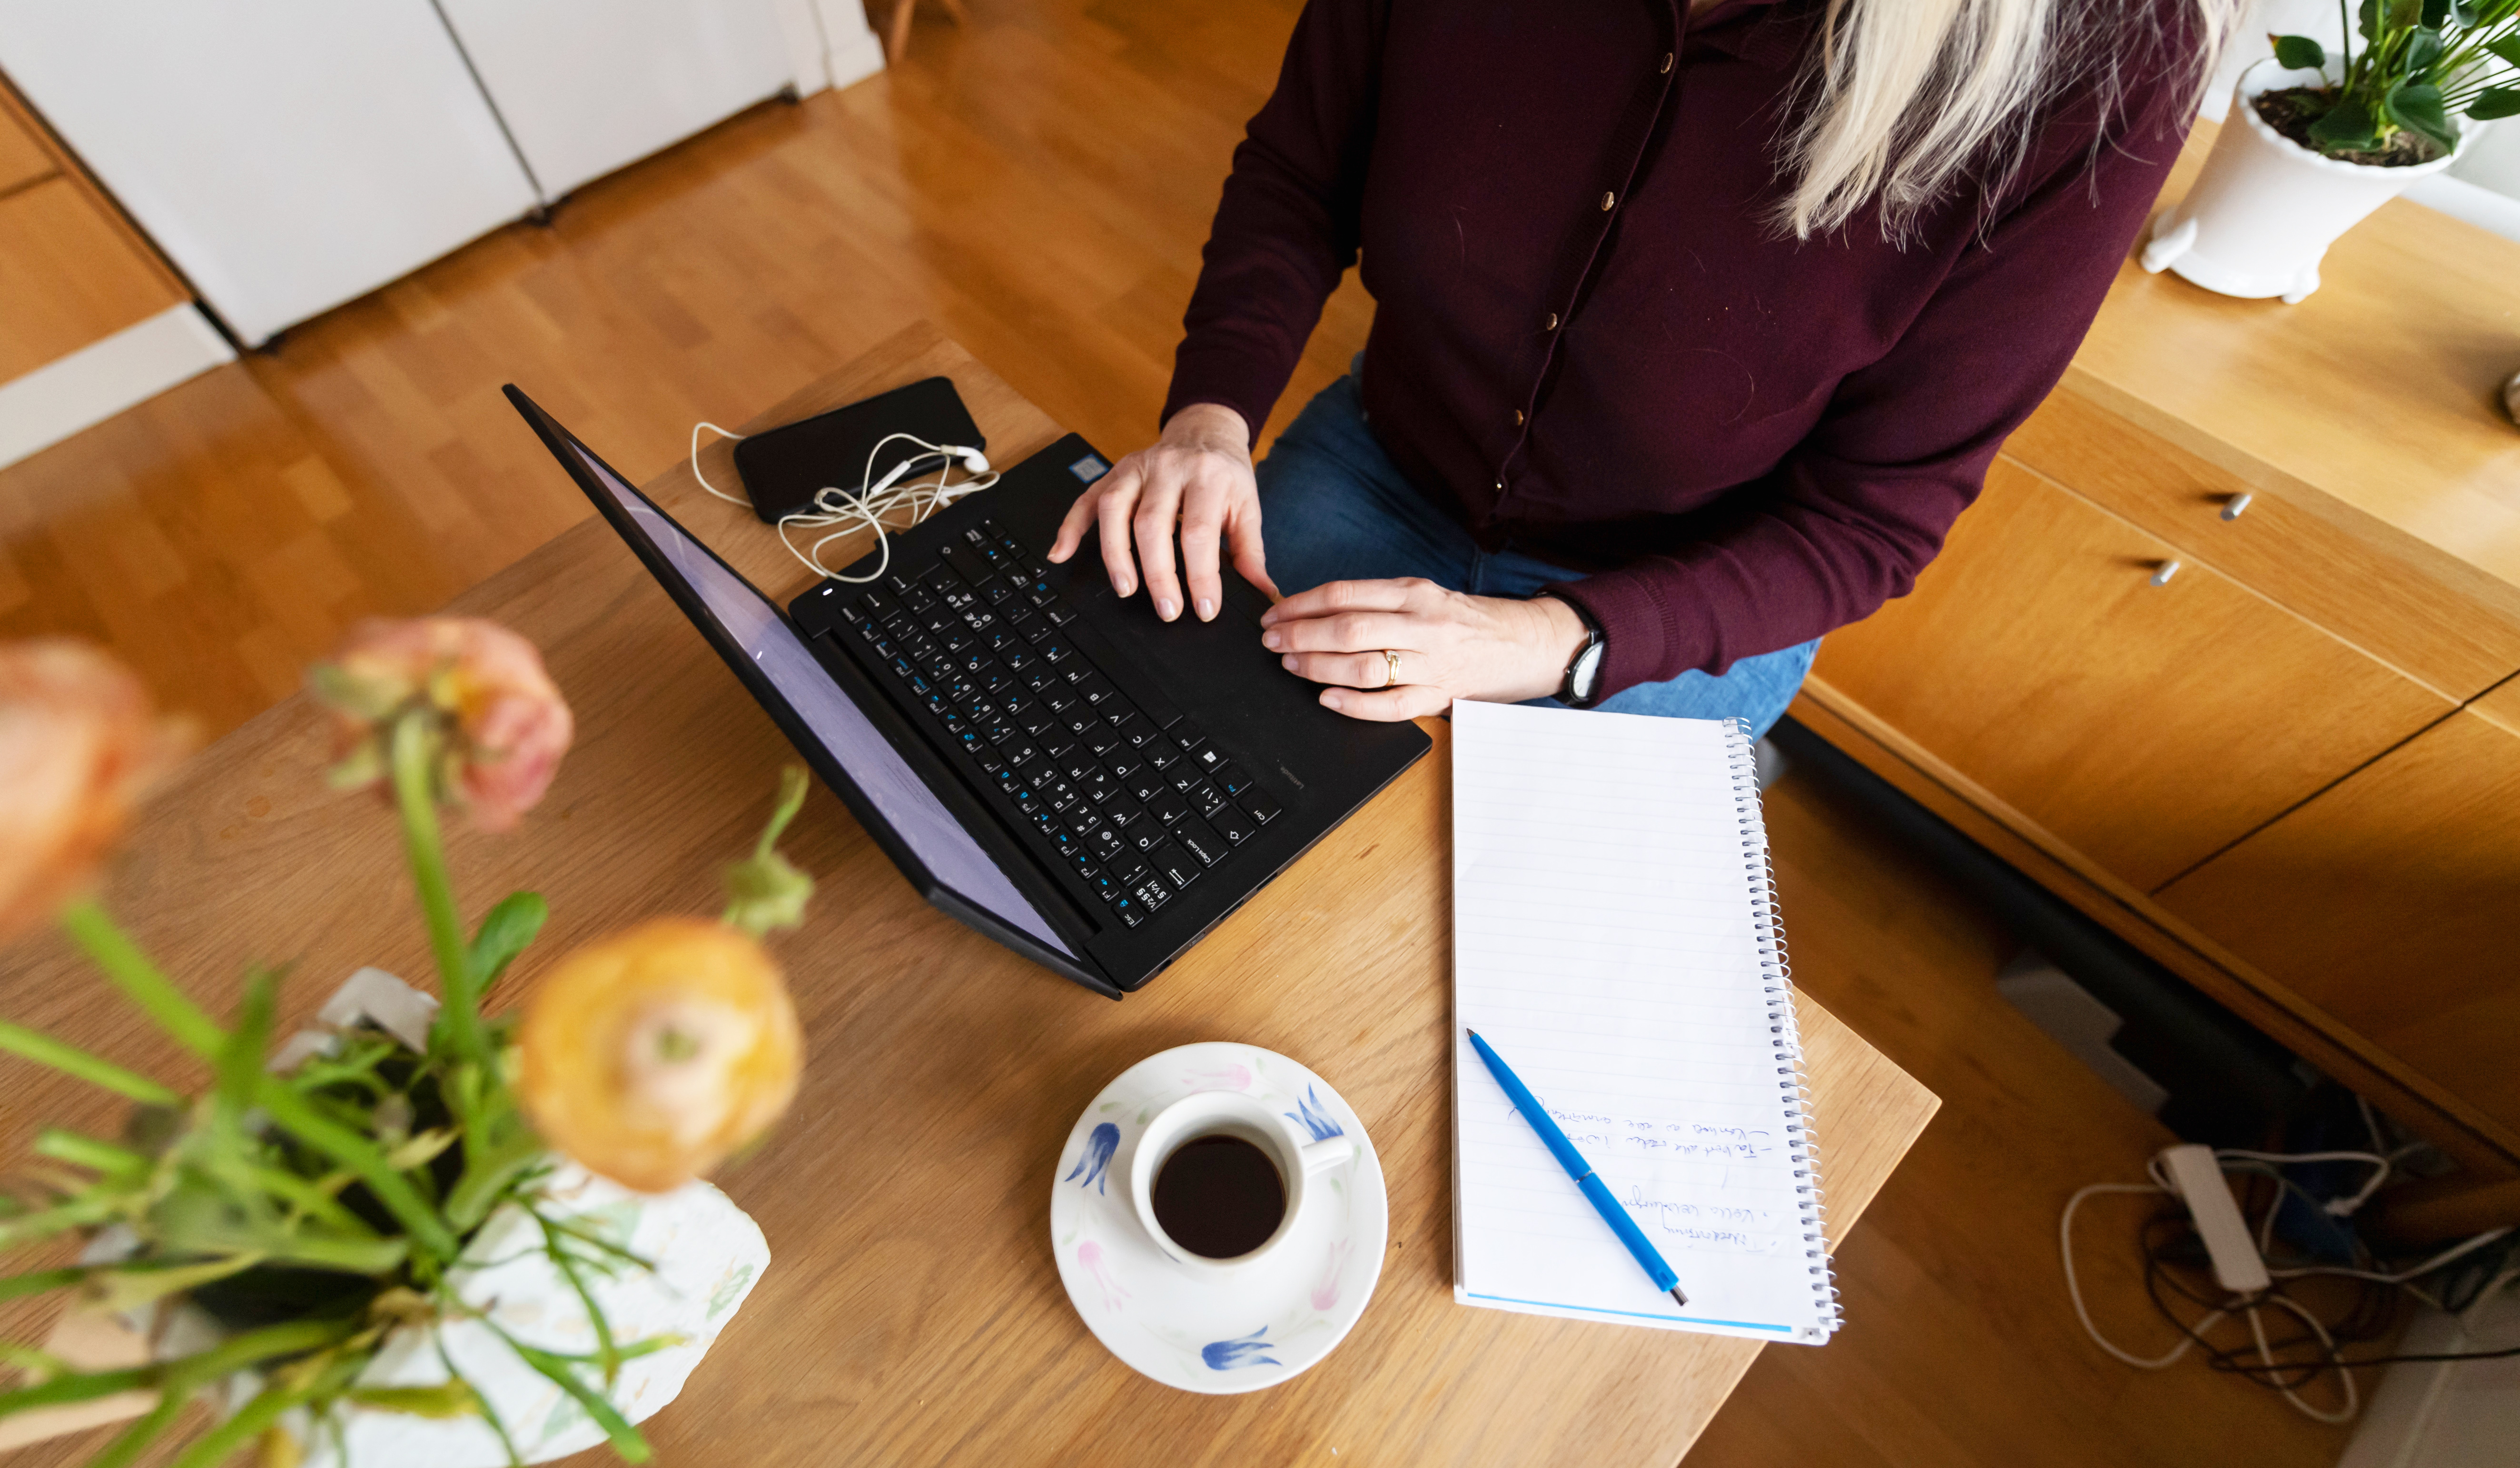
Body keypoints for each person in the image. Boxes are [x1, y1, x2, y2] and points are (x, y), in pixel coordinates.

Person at [1046, 0, 2238, 736]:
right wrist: (1209, 418)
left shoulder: (2102, 60)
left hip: (1679, 595)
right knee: (1137, 761)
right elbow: (1301, 175)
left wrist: (1550, 641)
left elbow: (1868, 524)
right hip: (1385, 463)